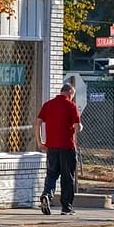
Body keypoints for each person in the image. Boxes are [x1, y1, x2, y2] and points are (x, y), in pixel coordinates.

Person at [35, 83, 82, 215]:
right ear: (70, 93)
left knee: (51, 174)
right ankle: (66, 207)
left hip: (52, 147)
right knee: (67, 177)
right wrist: (79, 127)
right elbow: (77, 126)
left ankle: (47, 195)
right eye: (72, 95)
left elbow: (38, 123)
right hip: (67, 147)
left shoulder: (48, 105)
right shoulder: (71, 106)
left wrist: (40, 142)